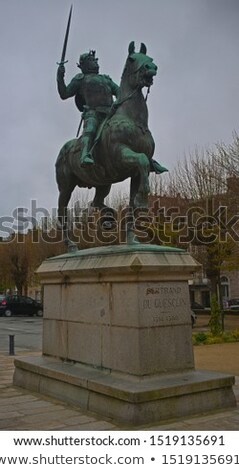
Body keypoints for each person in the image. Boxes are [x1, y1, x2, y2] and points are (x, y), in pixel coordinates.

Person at [57, 50, 120, 167]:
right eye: (91, 60)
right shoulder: (80, 79)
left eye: (95, 60)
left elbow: (119, 92)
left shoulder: (106, 79)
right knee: (91, 128)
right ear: (84, 65)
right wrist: (60, 77)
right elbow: (64, 93)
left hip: (111, 113)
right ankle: (85, 154)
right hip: (93, 112)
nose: (95, 62)